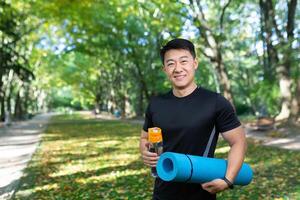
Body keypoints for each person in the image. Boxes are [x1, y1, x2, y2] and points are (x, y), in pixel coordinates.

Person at [139, 38, 247, 200]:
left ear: (195, 63)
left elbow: (239, 142)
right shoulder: (156, 104)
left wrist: (228, 179)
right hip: (162, 192)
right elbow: (144, 137)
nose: (177, 68)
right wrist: (144, 151)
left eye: (184, 61)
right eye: (170, 64)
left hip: (201, 193)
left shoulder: (215, 102)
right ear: (164, 69)